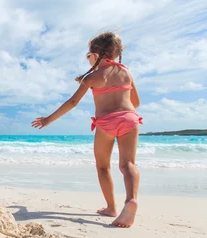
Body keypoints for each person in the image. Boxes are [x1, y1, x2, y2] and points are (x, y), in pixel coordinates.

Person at [31, 32, 142, 227]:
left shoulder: (92, 77)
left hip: (106, 122)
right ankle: (130, 200)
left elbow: (73, 102)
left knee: (103, 166)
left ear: (95, 54)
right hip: (130, 119)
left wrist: (48, 119)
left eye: (87, 54)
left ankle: (111, 207)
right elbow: (136, 102)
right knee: (128, 164)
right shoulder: (126, 72)